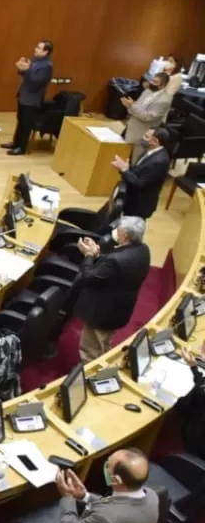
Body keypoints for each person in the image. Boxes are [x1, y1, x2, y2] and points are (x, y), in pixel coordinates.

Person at [74, 216, 150, 363]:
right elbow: (113, 271)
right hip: (119, 308)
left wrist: (88, 255)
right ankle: (102, 361)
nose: (114, 231)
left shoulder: (116, 261)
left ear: (125, 235)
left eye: (118, 229)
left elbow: (89, 278)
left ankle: (90, 374)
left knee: (91, 349)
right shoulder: (143, 249)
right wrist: (97, 254)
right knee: (104, 341)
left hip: (103, 311)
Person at [4, 39, 54, 156]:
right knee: (20, 120)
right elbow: (26, 75)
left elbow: (36, 82)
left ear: (46, 52)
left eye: (38, 48)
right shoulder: (34, 60)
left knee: (26, 123)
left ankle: (21, 148)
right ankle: (15, 143)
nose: (35, 49)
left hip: (32, 99)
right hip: (24, 95)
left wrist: (26, 71)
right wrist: (22, 69)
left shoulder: (47, 66)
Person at [112, 126, 171, 220]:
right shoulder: (149, 151)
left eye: (147, 136)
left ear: (155, 141)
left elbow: (140, 182)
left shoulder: (159, 161)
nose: (143, 138)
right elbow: (138, 171)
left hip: (139, 205)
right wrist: (127, 168)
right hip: (131, 199)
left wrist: (124, 170)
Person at [122, 72, 170, 159]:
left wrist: (131, 106)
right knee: (122, 153)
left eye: (155, 82)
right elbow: (137, 106)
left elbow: (147, 117)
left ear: (163, 86)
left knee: (135, 159)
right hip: (131, 126)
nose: (151, 83)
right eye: (152, 80)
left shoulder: (164, 101)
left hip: (142, 133)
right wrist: (130, 106)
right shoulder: (148, 91)